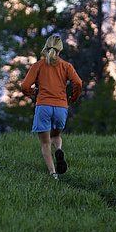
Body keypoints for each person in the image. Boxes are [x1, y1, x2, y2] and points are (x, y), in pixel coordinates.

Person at [21, 34, 82, 180]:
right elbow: (78, 83)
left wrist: (31, 92)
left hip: (43, 106)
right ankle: (59, 149)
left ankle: (53, 173)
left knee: (45, 143)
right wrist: (73, 98)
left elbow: (24, 86)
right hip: (61, 107)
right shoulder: (67, 66)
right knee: (56, 135)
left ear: (46, 47)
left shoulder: (38, 66)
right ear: (60, 49)